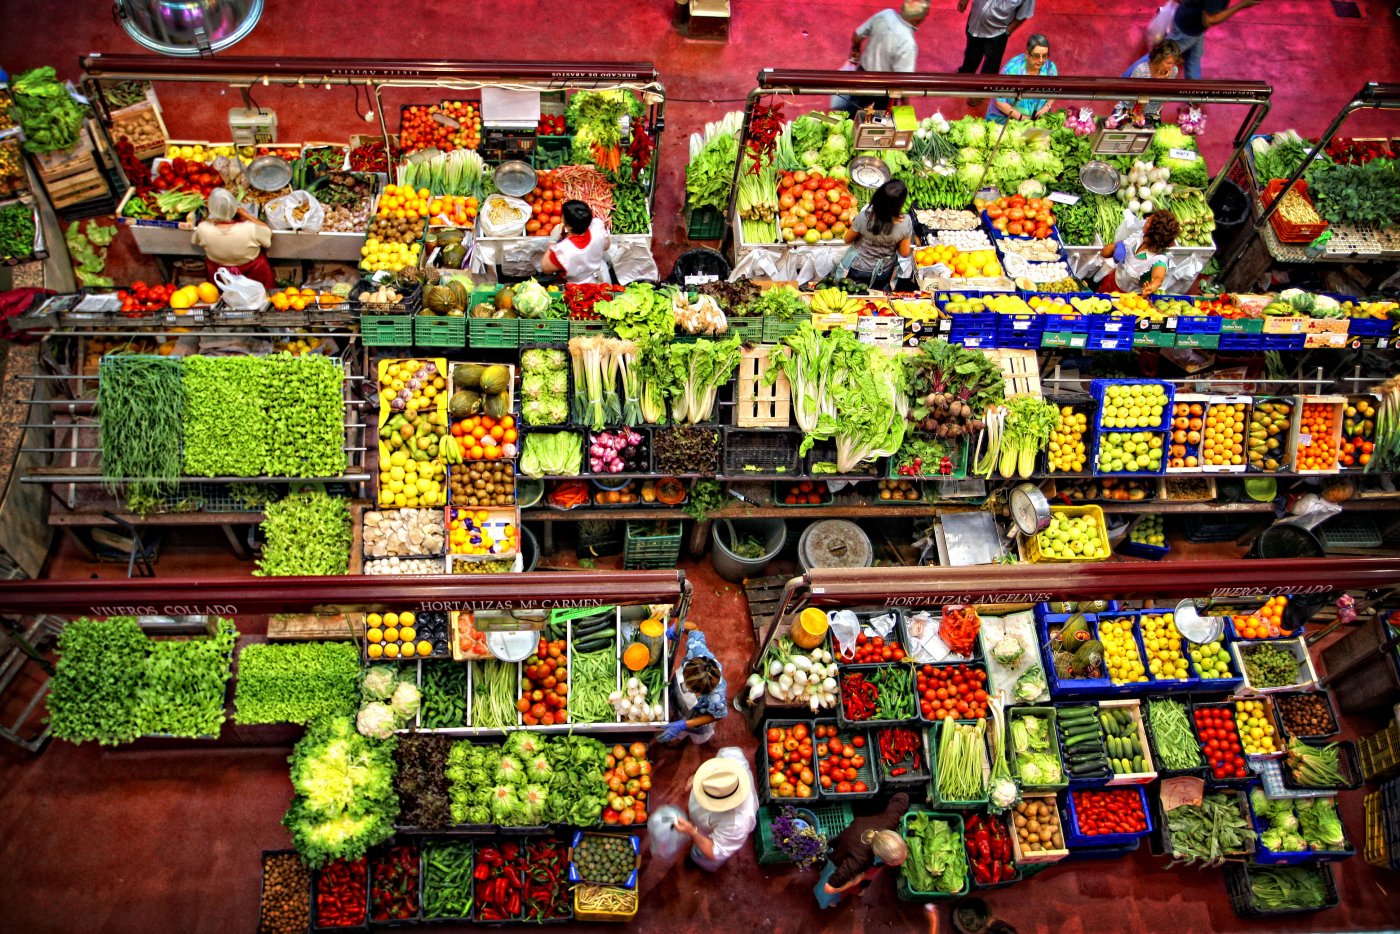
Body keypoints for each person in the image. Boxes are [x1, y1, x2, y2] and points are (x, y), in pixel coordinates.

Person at [814, 793, 912, 908]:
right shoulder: (857, 861)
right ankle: (834, 900)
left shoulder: (889, 820)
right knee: (836, 882)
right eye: (892, 863)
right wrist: (855, 881)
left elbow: (902, 796)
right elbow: (829, 887)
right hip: (841, 854)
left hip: (853, 833)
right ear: (881, 857)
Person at [836, 1, 931, 115]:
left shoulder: (886, 14)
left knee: (851, 112)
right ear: (917, 20)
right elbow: (903, 81)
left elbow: (858, 35)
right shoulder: (907, 43)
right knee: (875, 123)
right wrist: (906, 106)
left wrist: (855, 49)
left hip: (861, 77)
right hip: (882, 90)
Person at [674, 747, 758, 872]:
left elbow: (716, 851)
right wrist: (698, 776)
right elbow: (719, 758)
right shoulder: (731, 758)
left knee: (702, 855)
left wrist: (693, 832)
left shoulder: (737, 824)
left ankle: (697, 861)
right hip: (702, 818)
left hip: (710, 833)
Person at [659, 619, 728, 745]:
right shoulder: (697, 651)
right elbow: (694, 628)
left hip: (694, 714)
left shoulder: (716, 697)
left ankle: (680, 737)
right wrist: (678, 627)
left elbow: (716, 716)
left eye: (692, 690)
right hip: (675, 693)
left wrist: (684, 725)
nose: (686, 687)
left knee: (688, 731)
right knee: (673, 707)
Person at [191, 188, 275, 290]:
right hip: (254, 275)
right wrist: (246, 215)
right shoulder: (249, 228)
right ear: (234, 207)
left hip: (222, 277)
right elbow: (267, 231)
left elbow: (195, 240)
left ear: (210, 209)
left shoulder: (203, 228)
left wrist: (211, 219)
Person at [840, 180, 913, 291]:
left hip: (858, 267)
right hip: (884, 271)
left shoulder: (864, 217)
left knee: (851, 297)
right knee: (877, 302)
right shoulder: (905, 222)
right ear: (900, 203)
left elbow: (847, 239)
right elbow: (904, 252)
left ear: (877, 196)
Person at [957, 0, 1036, 95]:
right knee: (971, 52)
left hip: (997, 33)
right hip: (975, 22)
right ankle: (965, 76)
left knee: (991, 64)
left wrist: (1008, 31)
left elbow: (1024, 13)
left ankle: (983, 91)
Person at [1167, 0, 1260, 80]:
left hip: (1194, 25)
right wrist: (1242, 4)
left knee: (1194, 56)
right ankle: (1153, 85)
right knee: (1163, 56)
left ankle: (1193, 90)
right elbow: (1210, 20)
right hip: (1187, 29)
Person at [1100, 209, 1180, 296]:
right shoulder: (1138, 237)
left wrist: (1152, 286)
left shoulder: (1158, 259)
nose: (1147, 218)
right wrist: (1117, 246)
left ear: (1153, 232)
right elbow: (1104, 253)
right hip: (1111, 283)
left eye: (1150, 221)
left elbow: (1158, 278)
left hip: (1128, 298)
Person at [986, 34, 1057, 123]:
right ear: (1027, 54)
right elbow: (999, 102)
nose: (1041, 60)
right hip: (1007, 120)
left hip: (1036, 120)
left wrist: (1047, 107)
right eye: (1036, 56)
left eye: (1045, 56)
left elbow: (1055, 90)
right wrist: (1022, 118)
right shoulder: (1011, 71)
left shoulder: (1050, 68)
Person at [538, 199, 611, 284]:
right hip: (602, 277)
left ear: (568, 226)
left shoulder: (563, 250)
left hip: (579, 287)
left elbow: (546, 268)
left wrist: (552, 241)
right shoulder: (597, 225)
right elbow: (606, 245)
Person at [1112, 40, 1182, 126]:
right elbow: (1133, 98)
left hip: (1151, 115)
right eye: (1168, 63)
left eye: (1173, 63)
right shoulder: (1140, 70)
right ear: (1158, 59)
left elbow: (1163, 98)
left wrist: (1164, 83)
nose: (1171, 66)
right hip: (1128, 112)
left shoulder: (1173, 71)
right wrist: (1155, 82)